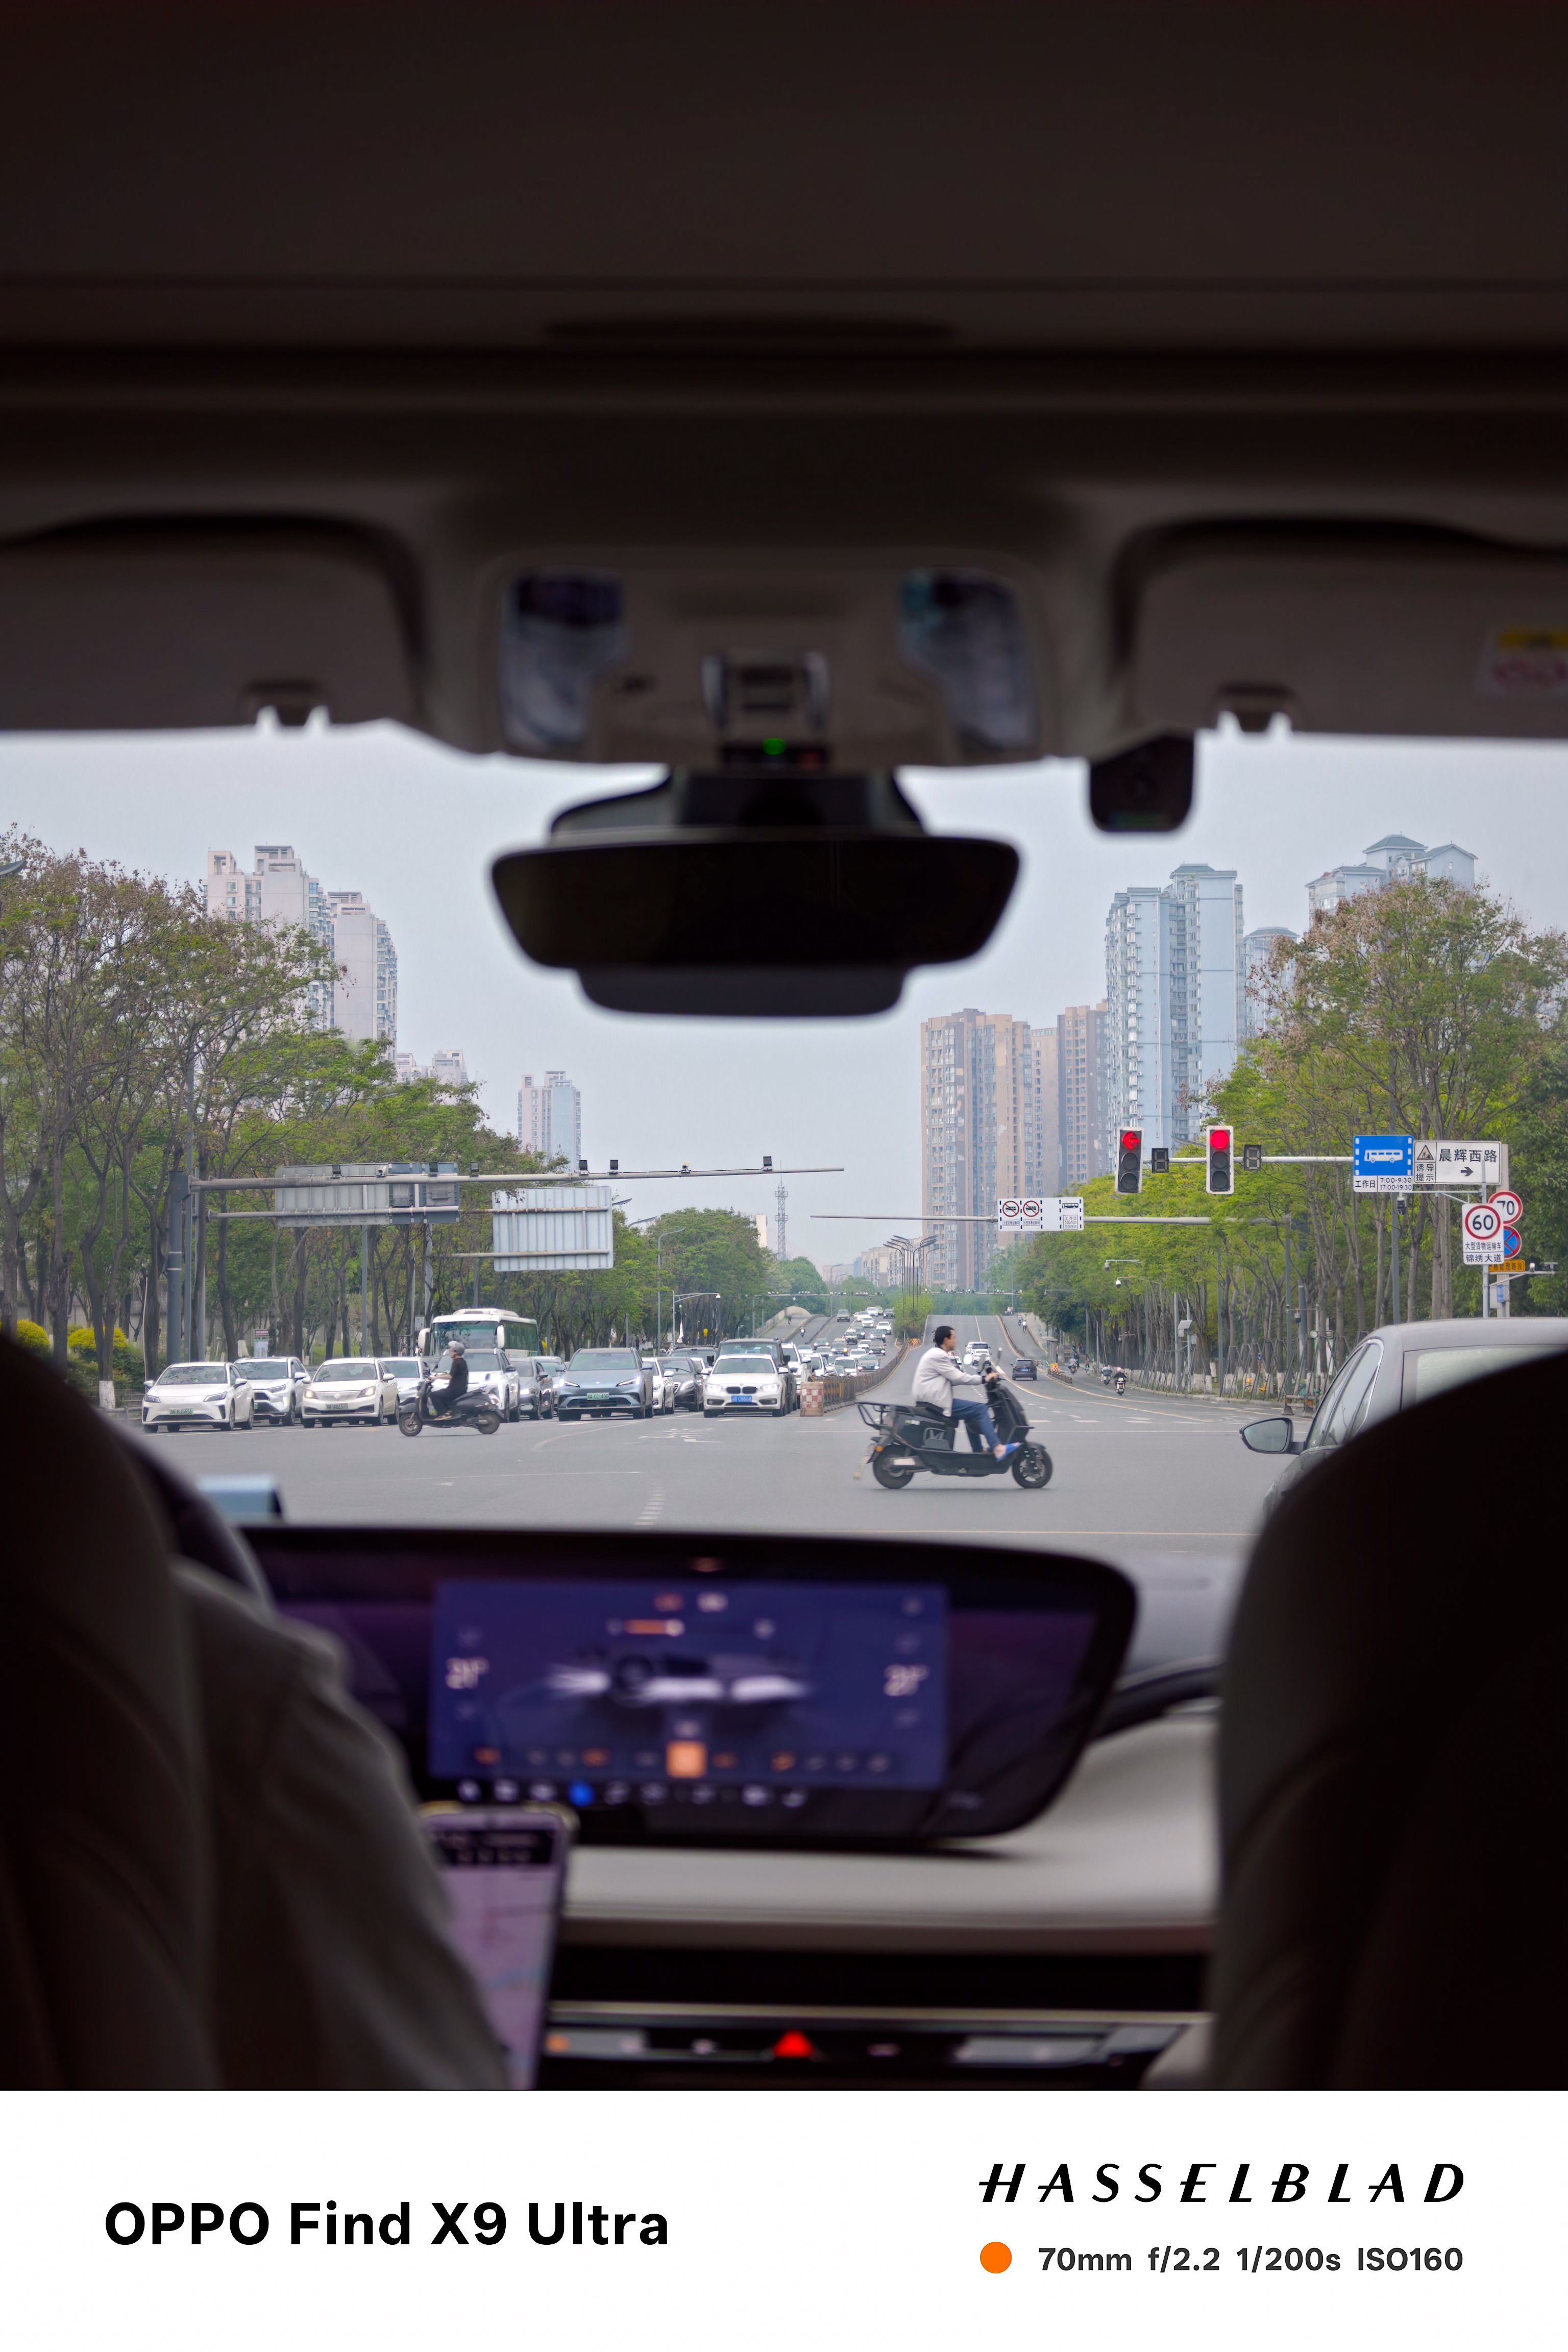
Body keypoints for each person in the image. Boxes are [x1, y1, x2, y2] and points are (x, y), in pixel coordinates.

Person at [912, 1325, 1018, 1460]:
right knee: (980, 1409)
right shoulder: (939, 1356)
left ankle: (979, 1451)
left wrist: (979, 1379)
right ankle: (997, 1448)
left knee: (971, 1414)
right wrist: (984, 1379)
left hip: (931, 1400)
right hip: (935, 1402)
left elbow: (953, 1379)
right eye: (954, 1338)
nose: (956, 1341)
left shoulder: (935, 1354)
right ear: (946, 1340)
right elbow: (958, 1377)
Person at [430, 1339, 469, 1417]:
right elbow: (452, 1373)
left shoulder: (457, 1362)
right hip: (459, 1389)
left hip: (456, 1390)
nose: (450, 1353)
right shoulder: (462, 1361)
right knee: (443, 1395)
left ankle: (443, 1414)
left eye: (451, 1351)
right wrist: (438, 1375)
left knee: (433, 1395)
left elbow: (450, 1376)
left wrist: (437, 1378)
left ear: (456, 1352)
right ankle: (450, 1412)